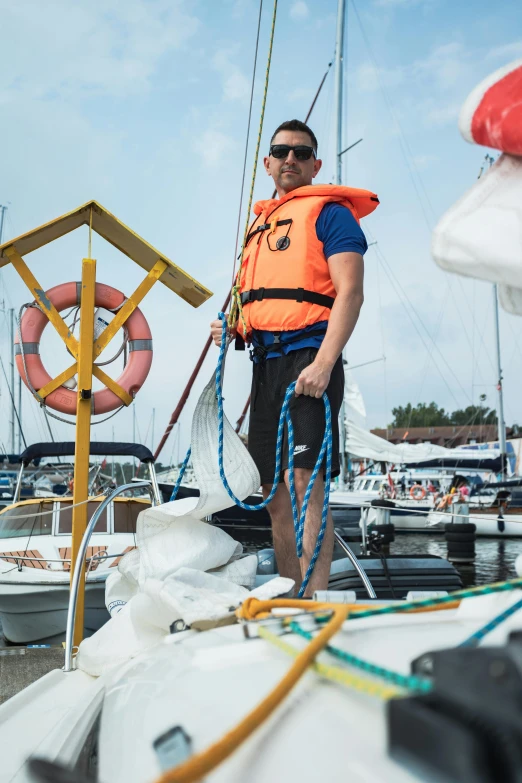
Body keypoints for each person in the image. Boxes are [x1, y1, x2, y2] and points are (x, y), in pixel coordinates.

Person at [210, 119, 378, 596]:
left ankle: (316, 601)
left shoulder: (330, 214)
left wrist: (324, 364)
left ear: (315, 164)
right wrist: (232, 326)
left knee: (306, 482)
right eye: (282, 151)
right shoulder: (260, 225)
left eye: (301, 153)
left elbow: (351, 292)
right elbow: (257, 305)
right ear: (268, 162)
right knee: (275, 496)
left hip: (310, 358)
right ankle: (289, 598)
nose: (291, 159)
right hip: (265, 367)